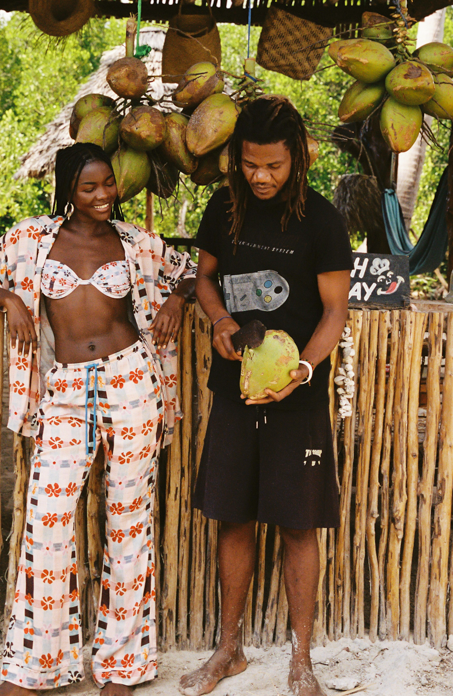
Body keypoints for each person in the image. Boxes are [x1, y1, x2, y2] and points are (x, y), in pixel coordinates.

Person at [0, 142, 196, 697]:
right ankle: (31, 672)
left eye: (108, 184)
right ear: (67, 190)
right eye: (89, 187)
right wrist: (10, 301)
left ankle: (122, 668)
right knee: (48, 523)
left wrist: (176, 301)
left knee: (129, 519)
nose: (103, 196)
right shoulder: (31, 240)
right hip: (64, 388)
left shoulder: (135, 242)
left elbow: (190, 271)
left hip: (131, 381)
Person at [179, 96, 352, 697]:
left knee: (298, 526)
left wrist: (303, 370)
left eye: (273, 166)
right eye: (250, 165)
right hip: (233, 393)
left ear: (296, 159)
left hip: (296, 398)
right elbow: (203, 277)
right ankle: (229, 651)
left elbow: (335, 313)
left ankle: (302, 661)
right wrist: (220, 321)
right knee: (234, 516)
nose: (260, 177)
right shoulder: (223, 209)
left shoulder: (323, 221)